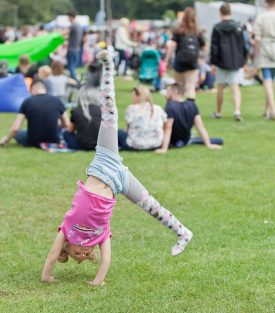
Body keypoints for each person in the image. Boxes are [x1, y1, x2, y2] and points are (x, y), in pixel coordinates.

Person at [41, 50, 193, 286]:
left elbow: (52, 256)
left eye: (76, 254)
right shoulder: (100, 236)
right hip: (119, 180)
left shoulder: (67, 230)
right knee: (151, 205)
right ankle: (183, 231)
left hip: (105, 161)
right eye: (83, 256)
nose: (81, 253)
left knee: (109, 113)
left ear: (67, 248)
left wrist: (46, 275)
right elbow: (106, 260)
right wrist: (97, 281)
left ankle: (109, 65)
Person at [0, 80, 71, 148]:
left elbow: (15, 128)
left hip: (33, 141)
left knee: (19, 133)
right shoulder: (57, 100)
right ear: (44, 89)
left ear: (33, 89)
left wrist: (6, 140)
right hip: (54, 140)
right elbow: (67, 124)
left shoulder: (27, 102)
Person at [155, 83, 223, 153]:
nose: (165, 96)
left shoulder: (170, 106)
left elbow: (168, 128)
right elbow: (200, 127)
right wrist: (209, 144)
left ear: (174, 92)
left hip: (173, 141)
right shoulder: (192, 105)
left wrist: (164, 148)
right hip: (185, 140)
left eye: (167, 92)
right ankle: (216, 141)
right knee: (198, 139)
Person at [210, 3, 247, 121]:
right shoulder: (238, 27)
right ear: (230, 12)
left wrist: (213, 62)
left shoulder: (217, 27)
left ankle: (219, 112)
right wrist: (243, 60)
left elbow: (214, 47)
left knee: (220, 86)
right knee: (235, 86)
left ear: (220, 12)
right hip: (236, 61)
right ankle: (237, 111)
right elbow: (244, 45)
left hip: (221, 61)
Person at [165, 7, 205, 100]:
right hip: (192, 63)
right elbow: (203, 45)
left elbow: (172, 46)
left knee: (178, 87)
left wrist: (166, 60)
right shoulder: (197, 31)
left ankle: (178, 110)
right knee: (190, 87)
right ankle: (191, 111)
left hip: (180, 62)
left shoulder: (179, 30)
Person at [118, 86, 167, 150]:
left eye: (133, 96)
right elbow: (164, 126)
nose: (132, 98)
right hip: (156, 144)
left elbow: (128, 128)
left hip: (135, 144)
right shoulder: (158, 108)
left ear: (138, 96)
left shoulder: (131, 108)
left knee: (118, 132)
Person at [66, 11, 83, 81]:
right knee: (73, 67)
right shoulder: (79, 26)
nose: (68, 19)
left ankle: (75, 81)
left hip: (72, 49)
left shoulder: (73, 26)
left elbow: (64, 33)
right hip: (77, 49)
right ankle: (75, 79)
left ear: (71, 17)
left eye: (68, 17)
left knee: (71, 67)